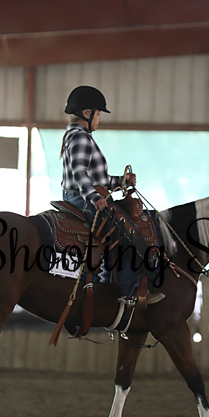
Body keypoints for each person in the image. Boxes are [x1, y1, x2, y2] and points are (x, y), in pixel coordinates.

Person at [60, 85, 162, 307]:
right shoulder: (81, 138)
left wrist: (121, 182)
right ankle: (129, 291)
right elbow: (80, 173)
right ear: (86, 113)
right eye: (98, 114)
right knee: (125, 232)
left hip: (83, 194)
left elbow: (98, 178)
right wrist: (94, 197)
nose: (99, 119)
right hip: (81, 198)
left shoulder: (79, 136)